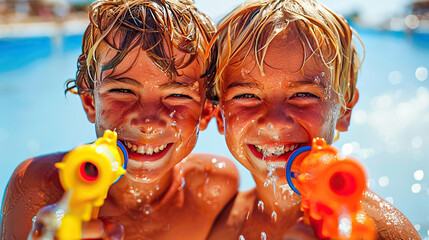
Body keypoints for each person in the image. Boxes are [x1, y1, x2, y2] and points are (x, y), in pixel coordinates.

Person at [1, 0, 239, 239]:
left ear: (207, 111)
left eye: (177, 95)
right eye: (123, 91)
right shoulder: (41, 188)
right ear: (90, 101)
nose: (148, 122)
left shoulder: (214, 188)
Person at [205, 0, 421, 239]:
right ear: (219, 114)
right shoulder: (218, 221)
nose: (275, 122)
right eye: (247, 96)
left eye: (303, 95)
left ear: (344, 108)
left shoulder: (375, 230)